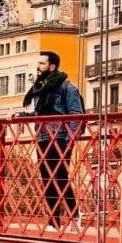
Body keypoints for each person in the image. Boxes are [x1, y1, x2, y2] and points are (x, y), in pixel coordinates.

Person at [23, 50, 85, 231]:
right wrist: (21, 116)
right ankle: (54, 222)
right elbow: (39, 114)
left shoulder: (68, 87)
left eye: (41, 64)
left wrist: (69, 139)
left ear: (52, 66)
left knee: (60, 178)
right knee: (47, 179)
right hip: (42, 137)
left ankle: (74, 217)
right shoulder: (41, 90)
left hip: (59, 137)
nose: (38, 67)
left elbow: (76, 114)